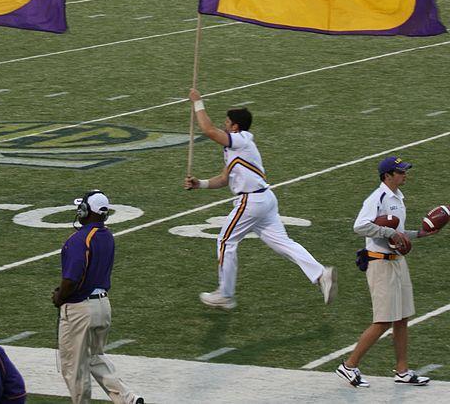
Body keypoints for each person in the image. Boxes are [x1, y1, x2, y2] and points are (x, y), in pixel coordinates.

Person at [184, 89, 336, 310]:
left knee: (226, 241)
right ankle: (322, 274)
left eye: (227, 122)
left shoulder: (240, 140)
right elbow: (225, 178)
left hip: (251, 202)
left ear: (235, 126)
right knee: (284, 244)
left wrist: (198, 102)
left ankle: (225, 294)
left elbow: (207, 130)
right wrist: (201, 184)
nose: (224, 125)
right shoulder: (235, 148)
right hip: (264, 200)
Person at [336, 157, 438, 388]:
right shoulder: (377, 198)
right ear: (387, 176)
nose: (405, 175)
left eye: (404, 171)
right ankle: (349, 365)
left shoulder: (398, 198)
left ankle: (402, 370)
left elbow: (397, 234)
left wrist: (419, 234)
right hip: (380, 264)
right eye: (400, 172)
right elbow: (359, 226)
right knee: (383, 320)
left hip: (397, 262)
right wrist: (388, 233)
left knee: (402, 318)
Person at [53, 191, 144, 404]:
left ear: (86, 211)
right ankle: (128, 398)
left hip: (80, 309)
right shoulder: (107, 235)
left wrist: (59, 296)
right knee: (94, 357)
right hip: (103, 305)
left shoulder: (79, 239)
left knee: (74, 366)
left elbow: (72, 279)